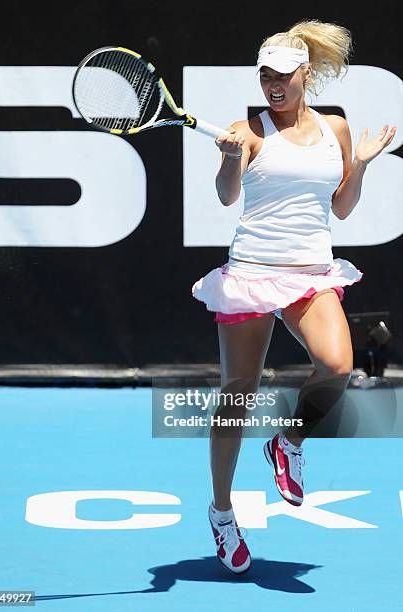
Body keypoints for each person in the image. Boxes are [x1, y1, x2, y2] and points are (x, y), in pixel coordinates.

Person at [191, 19, 397, 574]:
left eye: (284, 75)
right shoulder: (248, 128)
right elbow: (226, 195)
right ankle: (221, 511)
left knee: (336, 363)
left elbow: (343, 208)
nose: (274, 85)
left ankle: (288, 442)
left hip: (311, 271)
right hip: (254, 270)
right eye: (265, 76)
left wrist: (362, 164)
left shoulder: (337, 129)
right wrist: (232, 158)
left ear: (306, 74)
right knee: (238, 394)